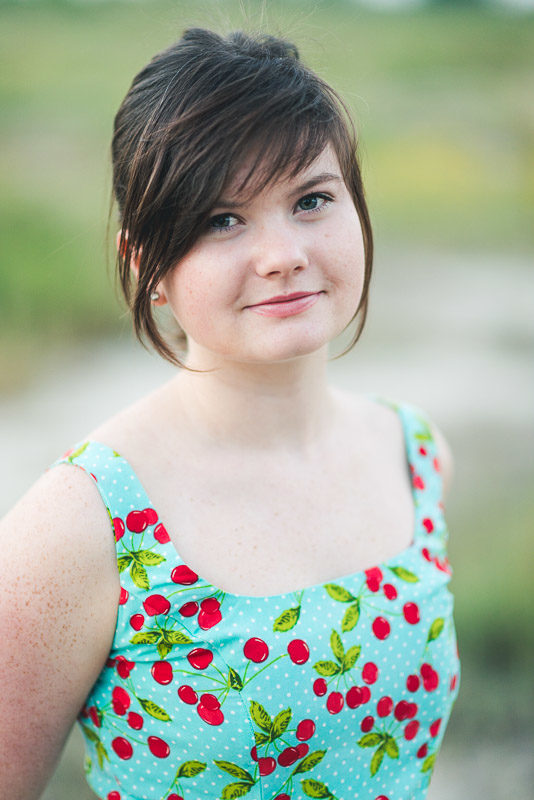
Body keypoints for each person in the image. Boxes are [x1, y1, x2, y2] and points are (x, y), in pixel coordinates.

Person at [0, 27, 460, 800]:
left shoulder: (415, 451)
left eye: (311, 200)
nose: (282, 253)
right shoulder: (83, 526)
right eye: (222, 220)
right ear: (143, 263)